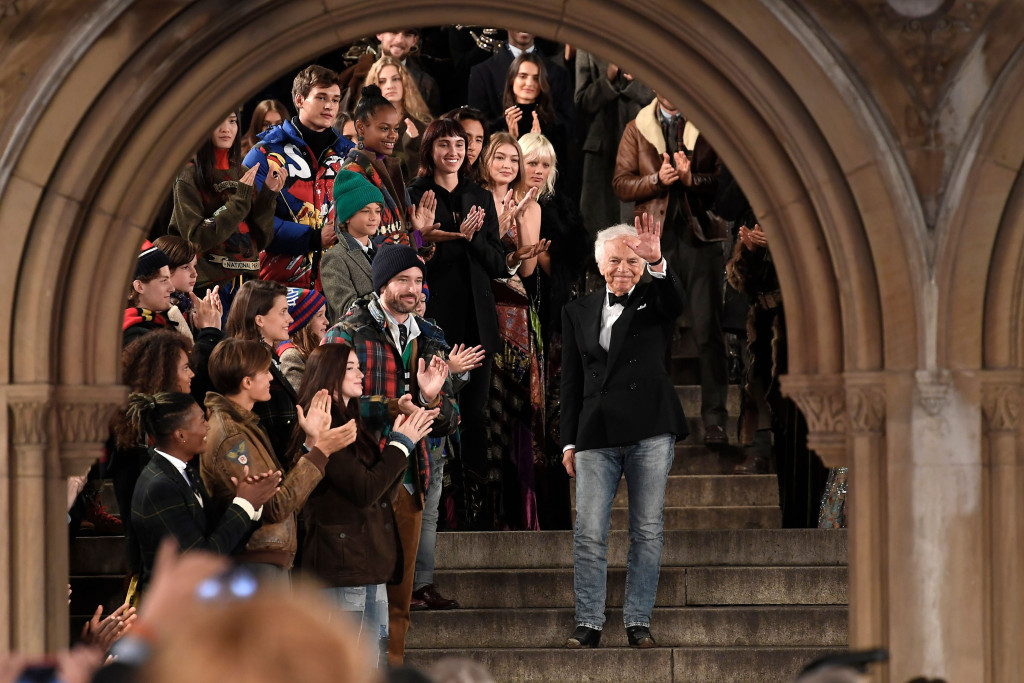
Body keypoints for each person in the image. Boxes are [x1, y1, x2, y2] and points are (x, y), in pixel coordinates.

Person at [322, 243, 459, 665]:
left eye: (418, 282)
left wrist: (430, 400)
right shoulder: (347, 332)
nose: (413, 290)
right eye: (403, 280)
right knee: (352, 604)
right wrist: (392, 405)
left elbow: (450, 417)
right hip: (359, 478)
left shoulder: (430, 334)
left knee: (399, 598)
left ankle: (393, 670)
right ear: (383, 283)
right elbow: (325, 400)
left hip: (409, 476)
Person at [407, 118, 546, 530]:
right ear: (430, 149)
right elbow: (410, 256)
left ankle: (474, 515)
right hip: (435, 322)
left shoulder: (478, 195)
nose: (452, 151)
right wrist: (431, 237)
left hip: (479, 322)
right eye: (444, 144)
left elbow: (491, 263)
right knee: (434, 412)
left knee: (476, 414)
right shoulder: (415, 194)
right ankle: (437, 515)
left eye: (459, 144)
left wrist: (503, 249)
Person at [560, 215, 688, 649]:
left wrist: (657, 262)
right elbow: (570, 380)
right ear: (600, 265)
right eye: (615, 260)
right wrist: (568, 439)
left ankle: (637, 621)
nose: (624, 268)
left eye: (632, 261)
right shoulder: (575, 311)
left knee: (646, 530)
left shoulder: (656, 300)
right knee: (590, 530)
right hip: (595, 431)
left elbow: (677, 302)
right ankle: (589, 622)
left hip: (651, 428)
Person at [294, 343, 436, 668]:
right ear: (329, 376)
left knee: (372, 665)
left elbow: (377, 487)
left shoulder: (352, 421)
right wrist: (400, 446)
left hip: (366, 560)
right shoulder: (325, 426)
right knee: (347, 666)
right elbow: (364, 489)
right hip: (342, 565)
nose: (361, 373)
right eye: (351, 368)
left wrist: (401, 445)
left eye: (359, 366)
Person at [613, 93, 729, 447]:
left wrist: (692, 179)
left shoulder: (708, 123)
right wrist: (657, 180)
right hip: (654, 240)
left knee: (709, 329)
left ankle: (714, 420)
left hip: (700, 236)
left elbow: (726, 182)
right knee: (656, 331)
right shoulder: (637, 128)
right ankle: (657, 417)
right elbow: (621, 184)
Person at [201, 338, 351, 577]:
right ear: (247, 382)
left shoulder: (244, 425)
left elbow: (279, 489)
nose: (272, 378)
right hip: (255, 563)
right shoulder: (232, 437)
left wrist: (310, 443)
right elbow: (275, 506)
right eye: (265, 372)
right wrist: (321, 453)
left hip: (264, 559)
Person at [127, 391, 281, 589]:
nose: (208, 426)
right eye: (201, 421)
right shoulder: (160, 487)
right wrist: (244, 504)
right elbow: (200, 560)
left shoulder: (184, 471)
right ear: (180, 435)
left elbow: (219, 542)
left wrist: (252, 504)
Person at [519, 132, 590, 530]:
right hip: (513, 324)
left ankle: (554, 516)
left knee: (553, 420)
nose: (539, 170)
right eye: (533, 163)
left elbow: (570, 265)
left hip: (553, 327)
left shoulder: (561, 208)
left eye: (545, 164)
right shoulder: (501, 202)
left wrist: (543, 255)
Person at [479, 132, 545, 529]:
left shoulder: (529, 205)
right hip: (481, 304)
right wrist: (496, 219)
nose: (508, 165)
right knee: (486, 406)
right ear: (486, 159)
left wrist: (518, 222)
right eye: (500, 157)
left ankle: (517, 510)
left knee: (516, 411)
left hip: (516, 314)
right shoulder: (473, 197)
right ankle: (482, 508)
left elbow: (529, 270)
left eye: (514, 159)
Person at [242, 65, 354, 288]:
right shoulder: (264, 153)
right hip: (274, 288)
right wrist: (312, 238)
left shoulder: (348, 156)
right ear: (300, 99)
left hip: (336, 287)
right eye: (321, 97)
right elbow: (246, 217)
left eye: (335, 99)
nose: (329, 106)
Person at [169, 112, 282, 312]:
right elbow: (195, 238)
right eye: (217, 121)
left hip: (249, 284)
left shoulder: (242, 172)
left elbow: (261, 240)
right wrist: (239, 201)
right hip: (210, 286)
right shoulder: (188, 175)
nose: (226, 129)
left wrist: (268, 196)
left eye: (232, 121)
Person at [111, 330, 196, 581]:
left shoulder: (166, 430)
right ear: (165, 374)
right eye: (185, 368)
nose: (192, 374)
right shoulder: (138, 440)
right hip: (162, 572)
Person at [340, 85, 444, 253]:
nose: (393, 135)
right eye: (384, 128)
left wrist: (421, 235)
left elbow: (407, 237)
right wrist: (416, 238)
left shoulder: (391, 168)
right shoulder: (351, 174)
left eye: (395, 128)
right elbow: (358, 247)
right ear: (361, 128)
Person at [574, 50, 653, 231]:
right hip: (601, 152)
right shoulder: (586, 44)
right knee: (597, 228)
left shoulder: (649, 41)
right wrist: (607, 80)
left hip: (642, 149)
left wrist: (635, 83)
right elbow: (581, 103)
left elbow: (663, 101)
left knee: (639, 229)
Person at [222, 280, 299, 462]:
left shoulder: (268, 357)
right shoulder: (247, 365)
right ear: (259, 320)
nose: (290, 319)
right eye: (283, 312)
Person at [466, 30, 573, 145]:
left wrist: (541, 136)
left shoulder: (558, 73)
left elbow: (569, 128)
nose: (529, 83)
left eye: (536, 78)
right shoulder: (482, 73)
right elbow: (477, 130)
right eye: (522, 76)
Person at [320, 170, 385, 321]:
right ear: (347, 217)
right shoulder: (335, 258)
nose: (374, 217)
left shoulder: (382, 253)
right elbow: (347, 310)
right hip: (355, 341)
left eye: (377, 211)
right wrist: (390, 293)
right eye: (365, 211)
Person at [364, 56, 433, 179]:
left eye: (396, 79)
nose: (390, 86)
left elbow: (426, 175)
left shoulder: (422, 128)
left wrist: (413, 143)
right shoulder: (364, 127)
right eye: (382, 81)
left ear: (404, 83)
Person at [123, 242, 175, 346]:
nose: (172, 288)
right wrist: (209, 331)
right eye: (164, 281)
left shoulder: (151, 322)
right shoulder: (135, 336)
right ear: (139, 286)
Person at [278, 287, 328, 390]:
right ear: (304, 323)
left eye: (325, 314)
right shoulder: (291, 356)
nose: (326, 321)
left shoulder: (313, 349)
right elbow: (300, 401)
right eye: (319, 315)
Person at [152, 235, 200, 343]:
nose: (194, 274)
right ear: (164, 269)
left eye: (194, 266)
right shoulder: (155, 313)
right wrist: (209, 329)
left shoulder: (190, 305)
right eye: (185, 267)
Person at [444, 105, 489, 184]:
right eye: (466, 138)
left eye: (478, 140)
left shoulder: (481, 190)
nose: (472, 147)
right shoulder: (421, 188)